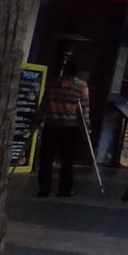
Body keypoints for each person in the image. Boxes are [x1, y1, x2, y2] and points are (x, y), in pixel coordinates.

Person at [34, 56, 92, 198]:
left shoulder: (53, 84)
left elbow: (44, 103)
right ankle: (65, 189)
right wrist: (87, 127)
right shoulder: (82, 86)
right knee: (67, 160)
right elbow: (84, 109)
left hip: (51, 125)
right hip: (70, 128)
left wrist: (38, 119)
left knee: (46, 159)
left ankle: (44, 189)